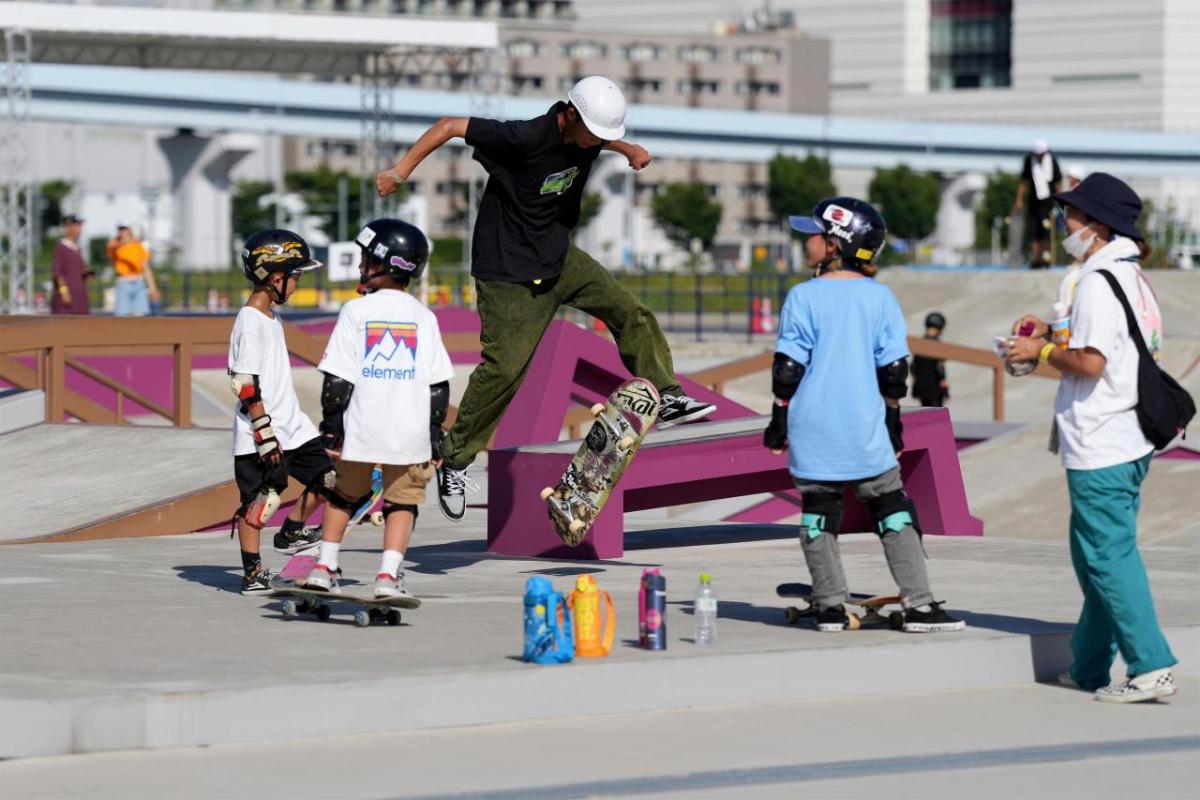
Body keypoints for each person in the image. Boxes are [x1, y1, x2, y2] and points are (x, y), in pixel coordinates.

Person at [375, 76, 716, 521]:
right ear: (568, 114)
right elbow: (448, 126)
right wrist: (400, 172)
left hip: (559, 258)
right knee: (506, 371)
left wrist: (627, 149)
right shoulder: (523, 137)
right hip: (508, 272)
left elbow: (602, 139)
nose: (596, 144)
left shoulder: (588, 136)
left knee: (629, 312)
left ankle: (667, 394)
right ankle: (455, 459)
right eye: (594, 135)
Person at [1005, 173, 1178, 702]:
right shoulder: (1127, 277)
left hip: (1104, 437)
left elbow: (1091, 361)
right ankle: (1088, 667)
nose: (1063, 223)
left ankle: (1151, 666)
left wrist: (1041, 354)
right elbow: (1100, 344)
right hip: (1123, 437)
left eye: (1072, 215)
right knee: (1095, 557)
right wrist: (1050, 330)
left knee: (1107, 555)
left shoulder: (1100, 283)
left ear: (1098, 225)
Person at [763, 197, 964, 634]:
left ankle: (831, 605)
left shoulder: (802, 296)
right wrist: (894, 419)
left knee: (819, 512)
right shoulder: (879, 298)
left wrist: (779, 418)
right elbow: (894, 372)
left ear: (834, 245)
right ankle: (920, 605)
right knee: (892, 509)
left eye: (814, 235)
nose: (807, 242)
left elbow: (787, 370)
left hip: (813, 425)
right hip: (863, 426)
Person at [301, 219, 454, 597]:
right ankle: (387, 575)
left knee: (343, 496)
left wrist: (331, 430)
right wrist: (435, 439)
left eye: (367, 258)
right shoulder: (425, 317)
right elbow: (439, 387)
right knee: (403, 502)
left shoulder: (356, 312)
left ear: (388, 264)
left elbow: (337, 380)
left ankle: (325, 565)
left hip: (362, 429)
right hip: (410, 433)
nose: (361, 266)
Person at [228, 229, 333, 594]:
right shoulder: (250, 321)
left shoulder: (271, 317)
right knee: (260, 502)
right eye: (296, 276)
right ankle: (252, 572)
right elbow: (243, 382)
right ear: (275, 277)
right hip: (262, 433)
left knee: (328, 482)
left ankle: (292, 532)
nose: (298, 283)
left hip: (294, 427)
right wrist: (264, 433)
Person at [1013, 139, 1062, 269]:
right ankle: (1035, 259)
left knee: (1046, 232)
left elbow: (1058, 182)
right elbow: (1023, 181)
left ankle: (1046, 259)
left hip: (1049, 202)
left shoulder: (1052, 161)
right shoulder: (1029, 161)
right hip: (1033, 202)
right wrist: (1019, 199)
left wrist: (1060, 201)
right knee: (1033, 232)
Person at [108, 223, 160, 316]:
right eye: (120, 229)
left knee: (140, 315)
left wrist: (153, 288)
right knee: (122, 315)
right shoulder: (115, 244)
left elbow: (146, 267)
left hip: (138, 282)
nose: (122, 232)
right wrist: (127, 241)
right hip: (123, 282)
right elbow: (111, 247)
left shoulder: (138, 246)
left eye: (125, 229)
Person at [50, 214, 93, 315]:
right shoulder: (61, 247)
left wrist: (87, 273)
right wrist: (64, 291)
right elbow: (57, 273)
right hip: (66, 302)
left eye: (80, 225)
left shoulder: (77, 248)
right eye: (76, 225)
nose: (79, 229)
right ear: (68, 227)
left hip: (80, 300)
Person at [911, 311, 949, 407]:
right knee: (936, 416)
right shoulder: (938, 345)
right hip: (935, 389)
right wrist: (944, 388)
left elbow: (913, 367)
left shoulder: (919, 344)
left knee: (926, 414)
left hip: (922, 387)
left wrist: (915, 385)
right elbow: (940, 368)